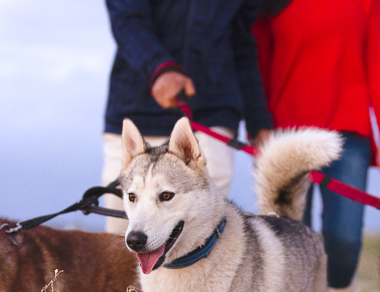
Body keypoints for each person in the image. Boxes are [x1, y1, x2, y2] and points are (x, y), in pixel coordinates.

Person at [254, 0, 380, 292]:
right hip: (286, 130)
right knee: (286, 240)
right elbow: (257, 56)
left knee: (345, 237)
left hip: (348, 131)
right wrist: (259, 126)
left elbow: (377, 59)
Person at [102, 0, 274, 234]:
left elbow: (242, 43)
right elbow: (127, 19)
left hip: (214, 112)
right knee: (121, 237)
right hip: (136, 112)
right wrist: (159, 68)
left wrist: (259, 121)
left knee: (201, 237)